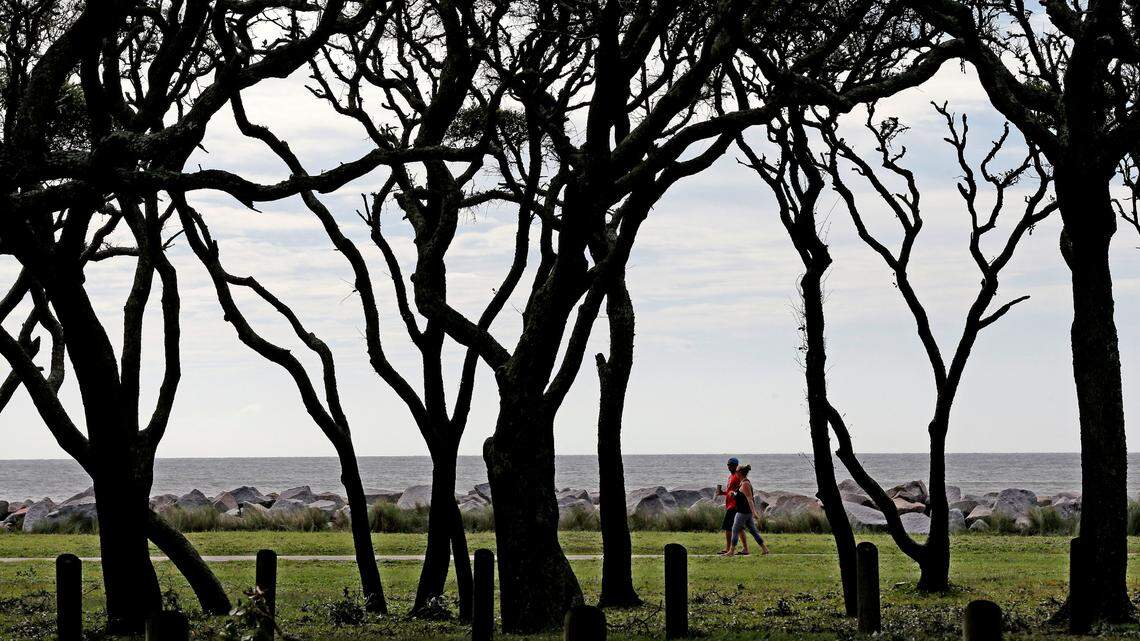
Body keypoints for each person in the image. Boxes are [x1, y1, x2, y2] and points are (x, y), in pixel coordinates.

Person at [727, 464, 769, 556]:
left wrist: (754, 513)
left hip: (743, 512)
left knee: (734, 529)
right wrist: (734, 494)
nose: (735, 473)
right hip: (746, 513)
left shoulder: (745, 484)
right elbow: (742, 496)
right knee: (753, 531)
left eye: (737, 471)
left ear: (740, 473)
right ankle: (765, 549)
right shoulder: (743, 482)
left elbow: (750, 499)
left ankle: (731, 551)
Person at [716, 457, 741, 555]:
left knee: (728, 527)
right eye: (728, 465)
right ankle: (741, 549)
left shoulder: (737, 476)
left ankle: (728, 549)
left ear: (736, 465)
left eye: (731, 465)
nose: (729, 467)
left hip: (734, 505)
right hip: (729, 504)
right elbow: (730, 491)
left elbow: (739, 491)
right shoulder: (730, 477)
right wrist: (722, 492)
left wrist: (737, 502)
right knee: (738, 528)